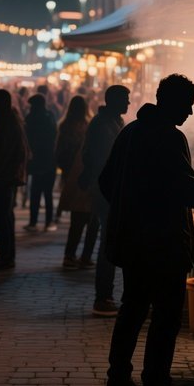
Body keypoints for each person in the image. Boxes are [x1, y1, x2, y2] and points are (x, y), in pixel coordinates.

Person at [99, 74, 194, 386]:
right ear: (171, 102)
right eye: (187, 105)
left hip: (133, 241)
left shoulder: (131, 131)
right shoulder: (169, 137)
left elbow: (105, 181)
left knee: (132, 310)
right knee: (165, 319)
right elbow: (185, 189)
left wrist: (129, 209)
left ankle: (118, 381)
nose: (190, 112)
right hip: (162, 245)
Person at [78, 84, 130, 317]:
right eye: (125, 99)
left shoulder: (115, 122)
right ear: (113, 101)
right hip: (106, 191)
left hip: (112, 190)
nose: (128, 103)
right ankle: (103, 297)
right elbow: (97, 160)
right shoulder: (101, 125)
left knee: (111, 241)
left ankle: (108, 294)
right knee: (108, 243)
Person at [0, 89, 28, 269]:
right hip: (4, 176)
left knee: (1, 217)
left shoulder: (5, 122)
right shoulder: (8, 120)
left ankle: (6, 256)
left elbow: (2, 151)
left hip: (1, 177)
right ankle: (6, 254)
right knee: (5, 216)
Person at [56, 95, 97, 269]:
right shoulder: (89, 126)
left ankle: (69, 254)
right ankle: (85, 256)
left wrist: (66, 170)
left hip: (71, 176)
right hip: (87, 175)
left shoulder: (65, 126)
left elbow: (59, 152)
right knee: (91, 220)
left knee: (77, 219)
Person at [24, 93, 58, 232]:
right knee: (47, 193)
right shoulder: (50, 116)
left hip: (37, 160)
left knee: (35, 192)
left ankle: (33, 221)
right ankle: (48, 221)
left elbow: (27, 138)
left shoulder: (31, 118)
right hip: (49, 159)